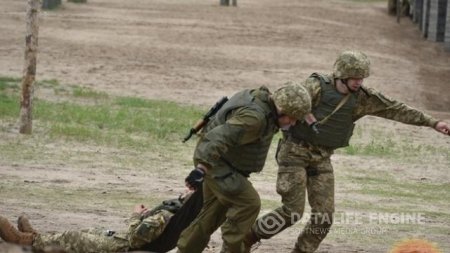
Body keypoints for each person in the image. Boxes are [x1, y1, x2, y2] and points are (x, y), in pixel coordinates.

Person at [243, 50, 450, 253]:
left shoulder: (362, 98)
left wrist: (433, 122)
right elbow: (283, 101)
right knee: (293, 212)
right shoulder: (316, 87)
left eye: (362, 78)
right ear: (341, 75)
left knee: (324, 217)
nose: (359, 82)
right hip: (294, 152)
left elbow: (395, 109)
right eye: (355, 78)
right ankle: (248, 237)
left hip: (322, 158)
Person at [176, 85, 312, 253]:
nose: (293, 123)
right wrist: (201, 169)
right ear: (282, 109)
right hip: (216, 163)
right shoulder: (254, 119)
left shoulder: (266, 103)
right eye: (292, 118)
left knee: (210, 215)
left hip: (222, 162)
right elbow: (217, 138)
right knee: (249, 203)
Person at [0, 188, 203, 253]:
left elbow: (134, 238)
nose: (184, 190)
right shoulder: (173, 217)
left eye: (188, 191)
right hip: (121, 240)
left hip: (120, 245)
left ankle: (23, 241)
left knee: (74, 237)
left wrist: (136, 216)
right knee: (87, 230)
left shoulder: (164, 217)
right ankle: (34, 236)